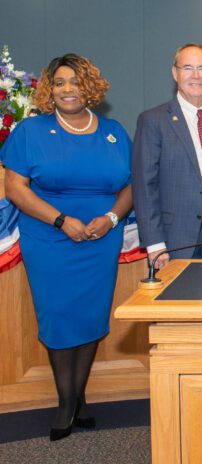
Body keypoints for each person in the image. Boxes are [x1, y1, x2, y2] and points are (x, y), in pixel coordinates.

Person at [0, 54, 132, 441]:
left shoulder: (114, 131)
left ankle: (79, 395)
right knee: (58, 318)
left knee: (91, 319)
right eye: (59, 82)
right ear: (49, 89)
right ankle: (66, 403)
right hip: (49, 239)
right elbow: (15, 188)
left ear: (89, 86)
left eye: (75, 81)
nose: (67, 89)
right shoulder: (30, 131)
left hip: (99, 240)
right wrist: (60, 220)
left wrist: (110, 219)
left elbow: (131, 186)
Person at [132, 43, 202, 270]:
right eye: (187, 68)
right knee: (180, 304)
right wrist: (154, 243)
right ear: (175, 73)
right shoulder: (153, 120)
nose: (195, 76)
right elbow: (144, 186)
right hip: (176, 241)